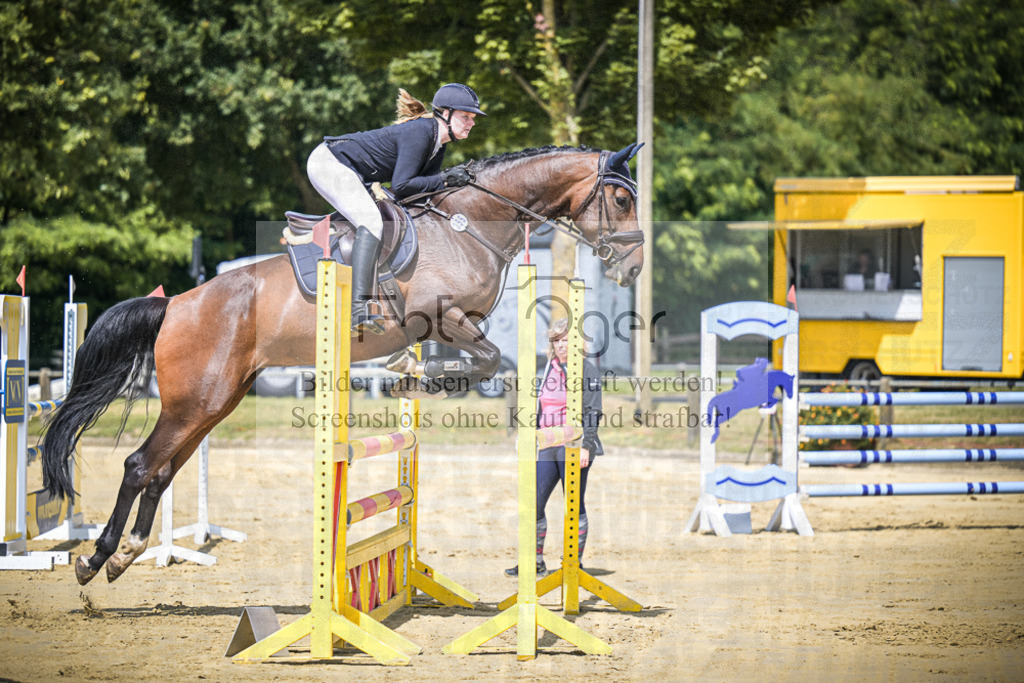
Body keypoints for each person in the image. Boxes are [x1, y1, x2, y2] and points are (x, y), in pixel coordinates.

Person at [306, 83, 485, 334]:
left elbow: (421, 193)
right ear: (445, 114)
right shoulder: (422, 132)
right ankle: (359, 308)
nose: (471, 123)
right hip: (329, 163)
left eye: (473, 118)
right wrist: (446, 179)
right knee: (371, 222)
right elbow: (402, 186)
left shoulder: (438, 143)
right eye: (466, 117)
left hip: (350, 169)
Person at [505, 318, 603, 578]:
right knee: (534, 501)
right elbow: (539, 405)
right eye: (556, 341)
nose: (561, 346)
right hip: (548, 443)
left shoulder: (587, 370)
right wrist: (527, 435)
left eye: (566, 340)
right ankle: (534, 561)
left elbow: (593, 412)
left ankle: (574, 563)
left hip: (574, 443)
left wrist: (587, 446)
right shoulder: (549, 368)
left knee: (573, 503)